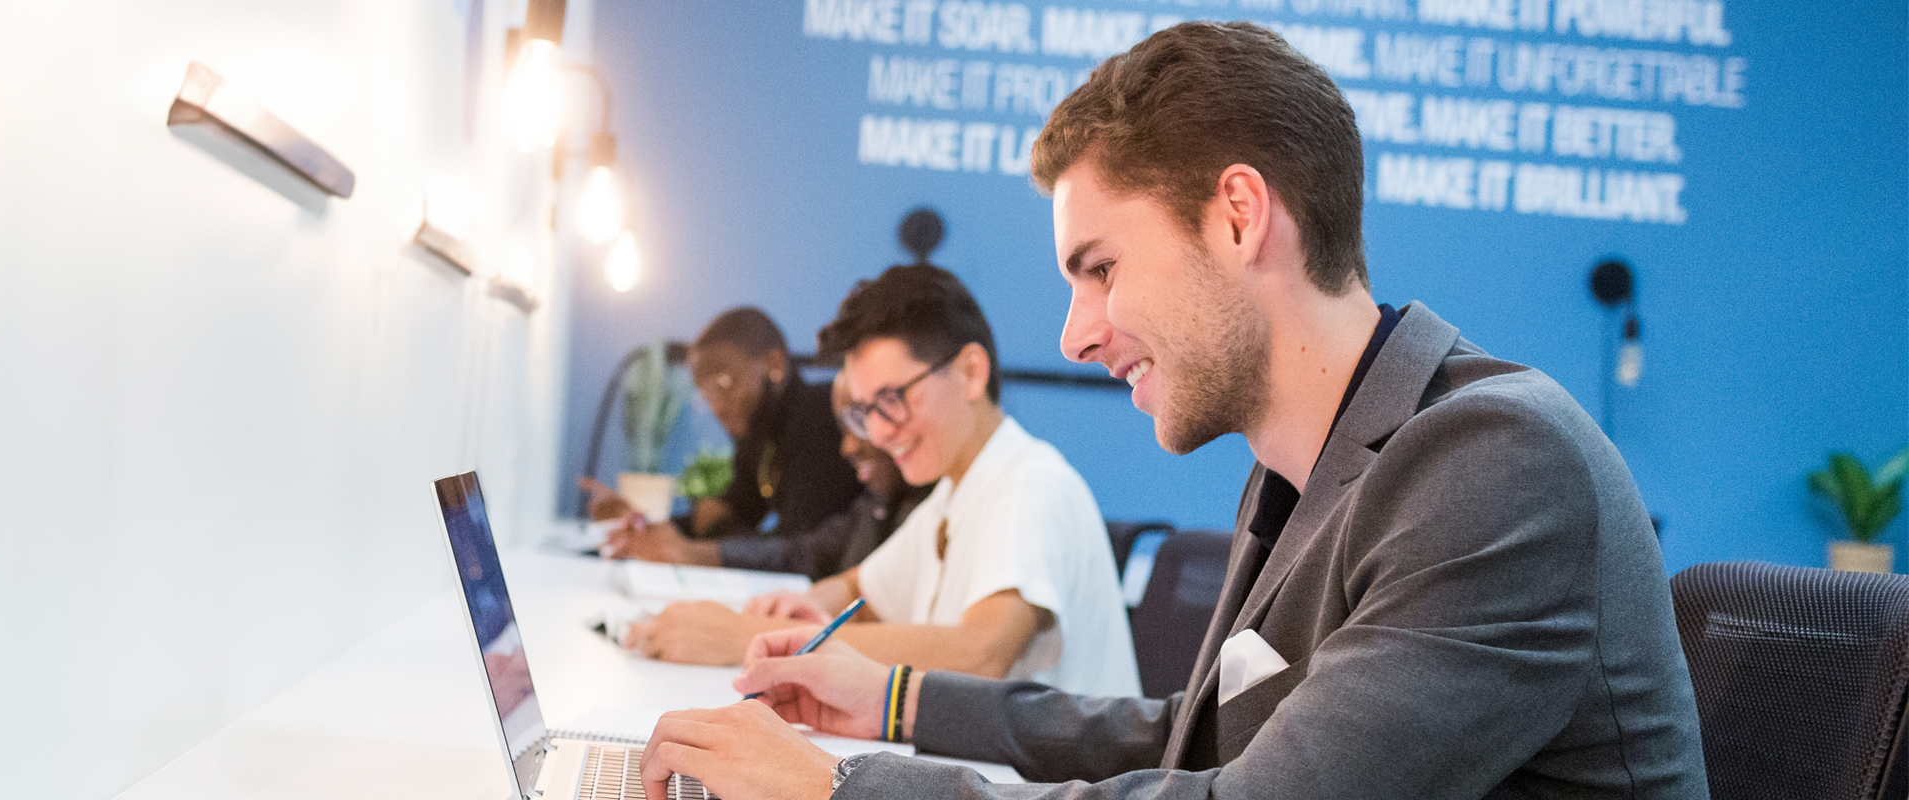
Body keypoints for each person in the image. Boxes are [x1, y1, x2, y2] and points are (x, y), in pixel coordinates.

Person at [636, 20, 1708, 800]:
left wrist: (840, 792)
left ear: (1238, 216)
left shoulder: (1491, 461)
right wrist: (894, 700)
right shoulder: (1308, 466)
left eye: (1098, 268)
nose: (1073, 332)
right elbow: (1194, 734)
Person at [734, 264, 1139, 697]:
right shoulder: (952, 494)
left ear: (970, 372)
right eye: (865, 411)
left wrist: (752, 639)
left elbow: (981, 653)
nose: (881, 432)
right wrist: (812, 605)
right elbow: (860, 587)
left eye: (892, 399)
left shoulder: (1031, 485)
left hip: (1066, 768)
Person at [622, 372, 934, 666]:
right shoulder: (884, 502)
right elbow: (846, 576)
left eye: (876, 412)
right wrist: (803, 604)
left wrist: (744, 634)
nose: (848, 446)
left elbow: (978, 653)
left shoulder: (932, 501)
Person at [589, 307, 864, 578]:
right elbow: (729, 511)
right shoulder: (761, 434)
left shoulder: (817, 419)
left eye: (724, 384)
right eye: (706, 394)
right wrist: (644, 526)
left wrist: (708, 538)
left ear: (775, 364)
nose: (716, 406)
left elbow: (803, 555)